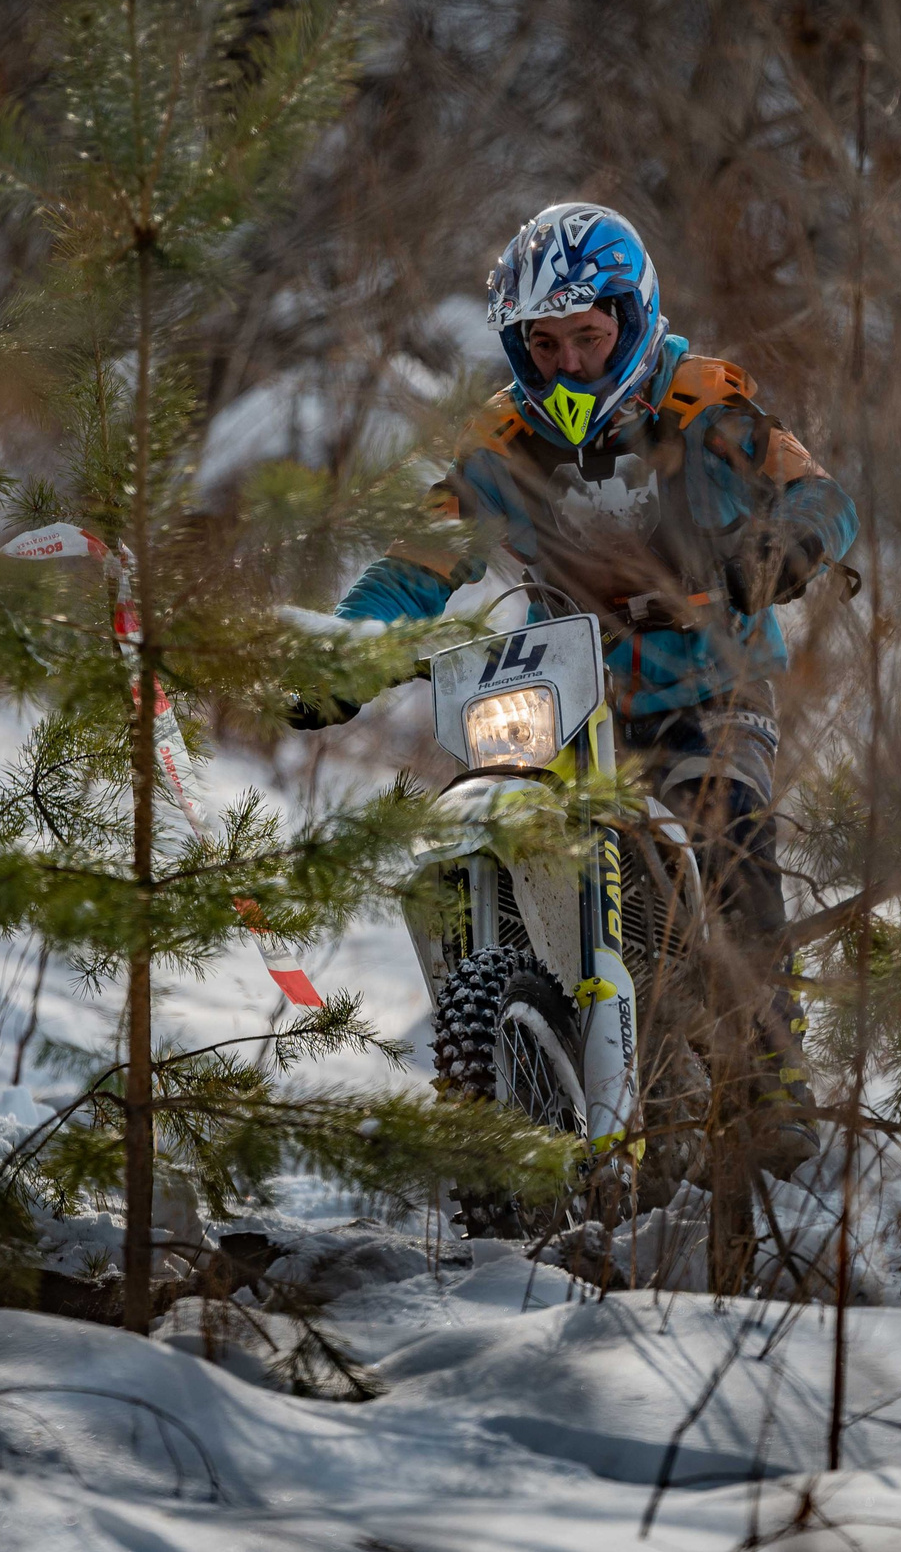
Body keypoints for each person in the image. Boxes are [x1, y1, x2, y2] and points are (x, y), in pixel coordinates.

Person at [292, 201, 859, 1182]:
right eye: (544, 344)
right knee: (490, 824)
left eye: (588, 338)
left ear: (630, 319)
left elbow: (822, 494)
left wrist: (782, 543)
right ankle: (513, 1046)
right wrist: (345, 651)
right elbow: (419, 560)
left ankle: (772, 1086)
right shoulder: (503, 440)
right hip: (566, 693)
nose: (568, 364)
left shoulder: (705, 405)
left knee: (723, 825)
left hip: (710, 690)